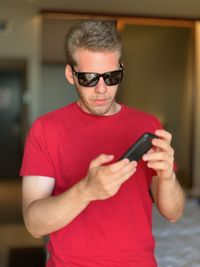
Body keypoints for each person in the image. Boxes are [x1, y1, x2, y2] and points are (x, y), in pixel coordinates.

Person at [20, 19, 185, 267]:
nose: (101, 89)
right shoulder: (46, 129)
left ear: (121, 70)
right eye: (88, 78)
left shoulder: (148, 125)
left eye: (111, 76)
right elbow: (34, 225)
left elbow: (173, 214)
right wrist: (85, 191)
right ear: (70, 74)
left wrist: (168, 178)